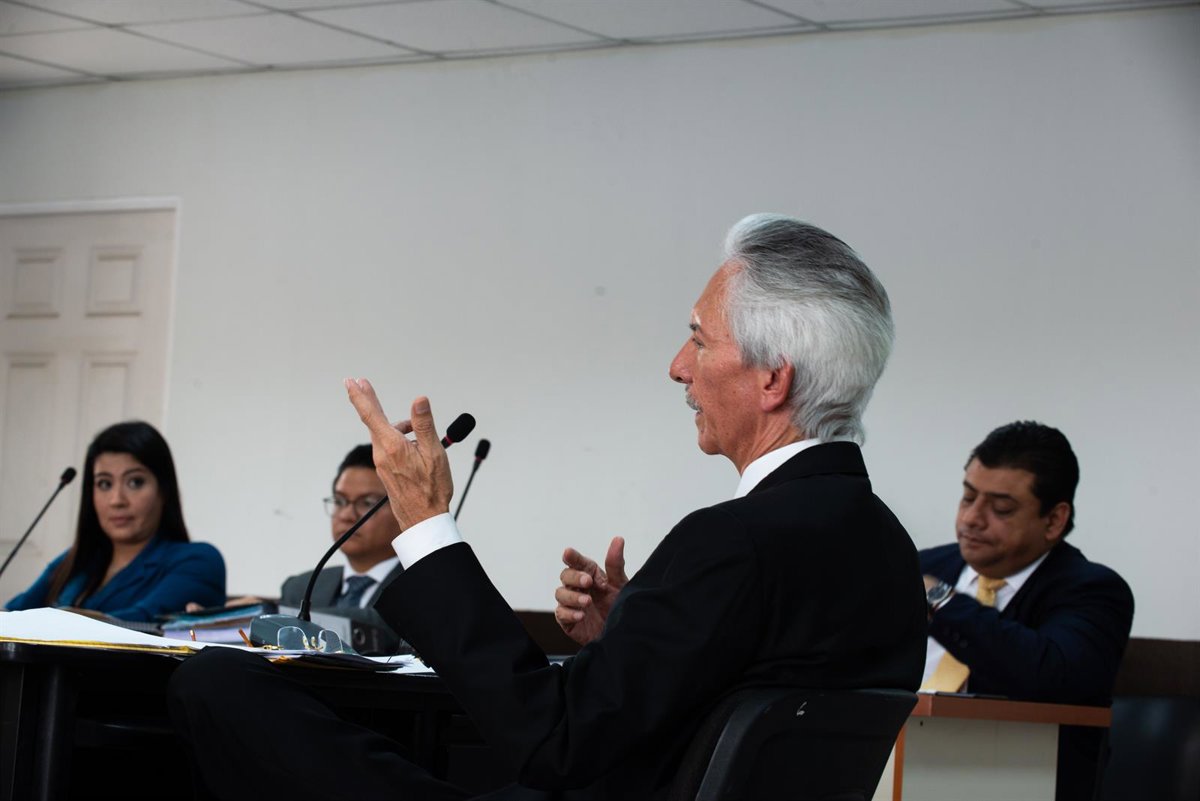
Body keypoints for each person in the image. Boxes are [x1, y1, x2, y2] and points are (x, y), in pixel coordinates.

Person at [167, 214, 928, 800]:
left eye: (698, 340)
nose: (677, 367)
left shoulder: (734, 542)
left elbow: (555, 744)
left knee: (220, 687)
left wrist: (426, 523)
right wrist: (633, 637)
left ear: (772, 380)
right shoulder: (886, 547)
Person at [920, 420, 1134, 801]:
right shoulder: (919, 566)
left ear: (1054, 520)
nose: (971, 519)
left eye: (1001, 508)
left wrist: (941, 600)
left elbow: (1050, 676)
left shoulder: (1093, 590)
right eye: (968, 497)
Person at [6, 421, 225, 623]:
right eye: (104, 484)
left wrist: (52, 621)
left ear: (164, 490)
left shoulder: (199, 561)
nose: (117, 500)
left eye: (135, 482)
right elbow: (12, 617)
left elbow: (140, 621)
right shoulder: (75, 561)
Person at [277, 444, 407, 653]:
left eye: (367, 503)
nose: (347, 515)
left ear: (403, 508)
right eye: (340, 501)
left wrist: (276, 614)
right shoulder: (300, 589)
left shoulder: (421, 588)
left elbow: (386, 625)